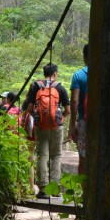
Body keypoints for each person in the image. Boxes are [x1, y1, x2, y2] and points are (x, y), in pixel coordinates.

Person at [24, 63, 70, 197]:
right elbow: (68, 110)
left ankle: (43, 189)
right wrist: (61, 119)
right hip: (56, 127)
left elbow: (29, 108)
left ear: (44, 73)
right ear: (55, 73)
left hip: (41, 127)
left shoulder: (35, 86)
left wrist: (37, 119)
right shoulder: (60, 87)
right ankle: (55, 190)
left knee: (42, 156)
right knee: (55, 156)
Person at [69, 43, 89, 175]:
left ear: (84, 56)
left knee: (83, 159)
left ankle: (85, 193)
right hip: (103, 123)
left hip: (84, 122)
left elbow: (75, 100)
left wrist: (72, 125)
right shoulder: (105, 73)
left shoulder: (78, 75)